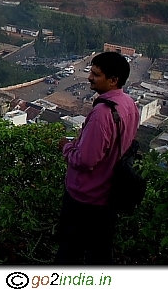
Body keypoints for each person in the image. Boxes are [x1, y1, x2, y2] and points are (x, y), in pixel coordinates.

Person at [55, 51, 140, 265]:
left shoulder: (102, 114)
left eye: (96, 74)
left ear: (113, 80)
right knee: (100, 253)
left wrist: (66, 148)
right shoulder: (129, 105)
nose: (90, 77)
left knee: (69, 253)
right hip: (109, 194)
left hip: (86, 198)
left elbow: (86, 160)